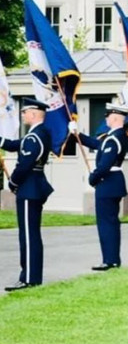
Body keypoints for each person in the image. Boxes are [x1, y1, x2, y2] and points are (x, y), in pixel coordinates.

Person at [0, 99, 53, 290]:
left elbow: (24, 165)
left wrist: (13, 182)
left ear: (33, 114)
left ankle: (29, 278)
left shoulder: (35, 136)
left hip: (30, 187)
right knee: (31, 234)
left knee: (28, 236)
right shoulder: (37, 134)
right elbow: (15, 145)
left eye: (25, 112)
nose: (23, 115)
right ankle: (32, 276)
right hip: (33, 186)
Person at [71, 100, 128, 271]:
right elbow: (96, 144)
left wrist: (93, 178)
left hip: (108, 181)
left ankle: (110, 260)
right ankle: (111, 259)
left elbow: (105, 165)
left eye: (108, 116)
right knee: (109, 222)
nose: (106, 119)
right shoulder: (113, 137)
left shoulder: (115, 138)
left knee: (106, 223)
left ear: (116, 118)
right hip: (112, 182)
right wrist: (76, 135)